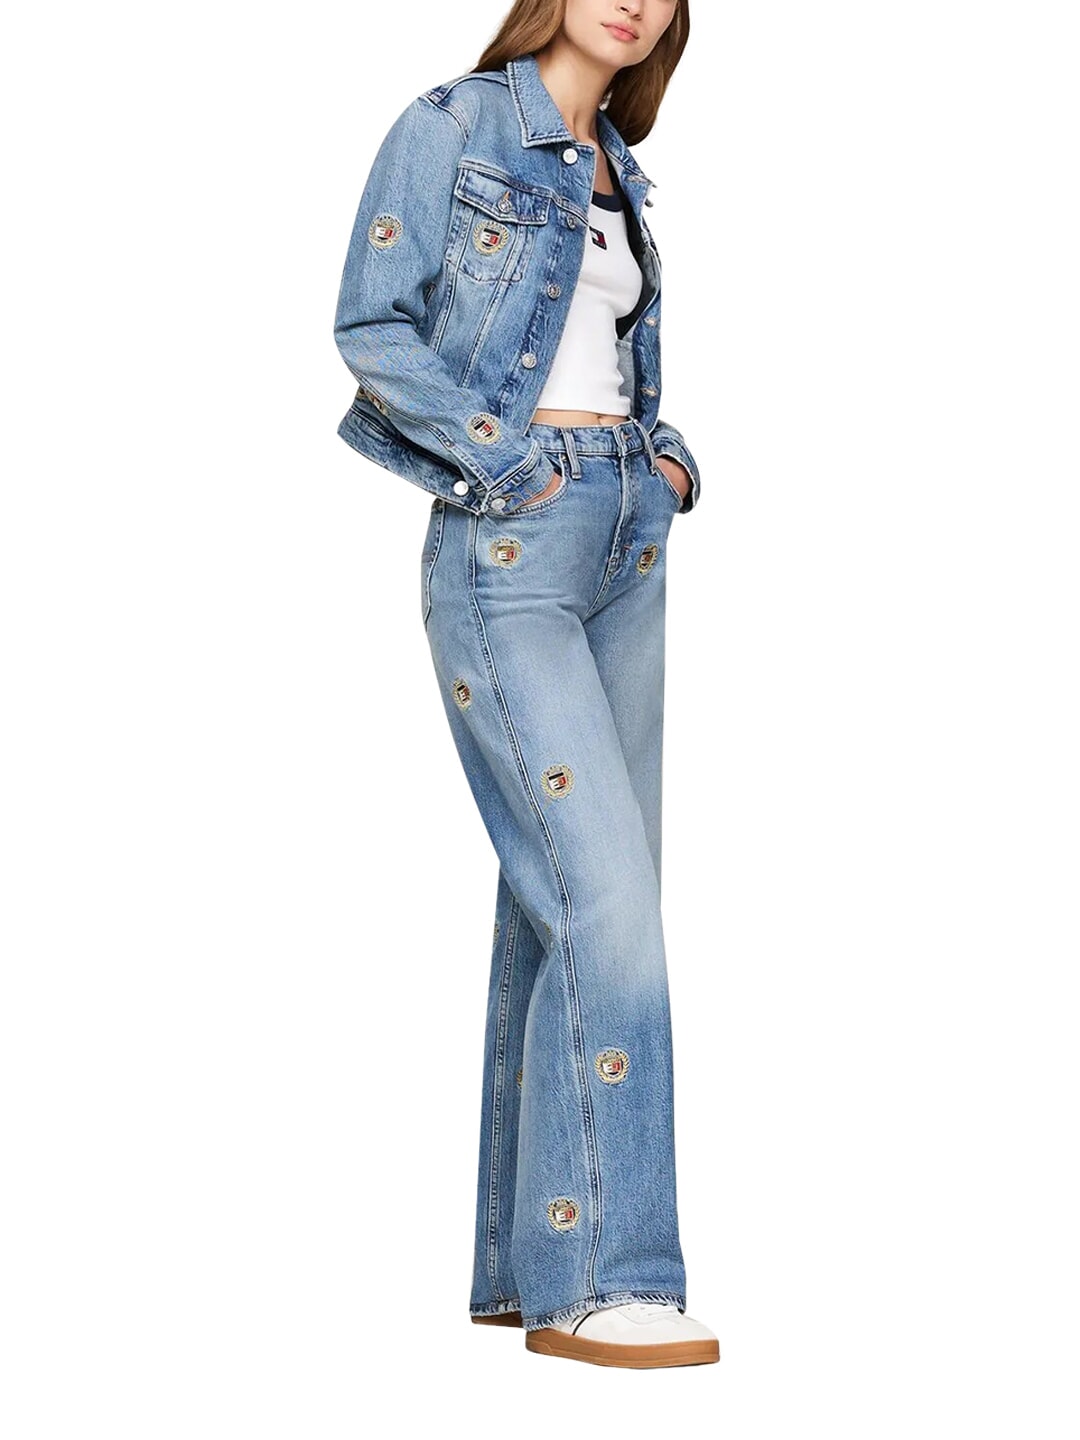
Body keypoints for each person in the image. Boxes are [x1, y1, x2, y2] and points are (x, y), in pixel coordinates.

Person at [333, 0, 718, 1369]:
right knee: (610, 909)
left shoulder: (620, 167)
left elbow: (602, 351)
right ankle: (614, 1277)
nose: (635, 0)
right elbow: (373, 327)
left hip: (627, 541)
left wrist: (659, 460)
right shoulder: (451, 125)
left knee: (565, 905)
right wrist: (512, 464)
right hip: (511, 551)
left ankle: (527, 1269)